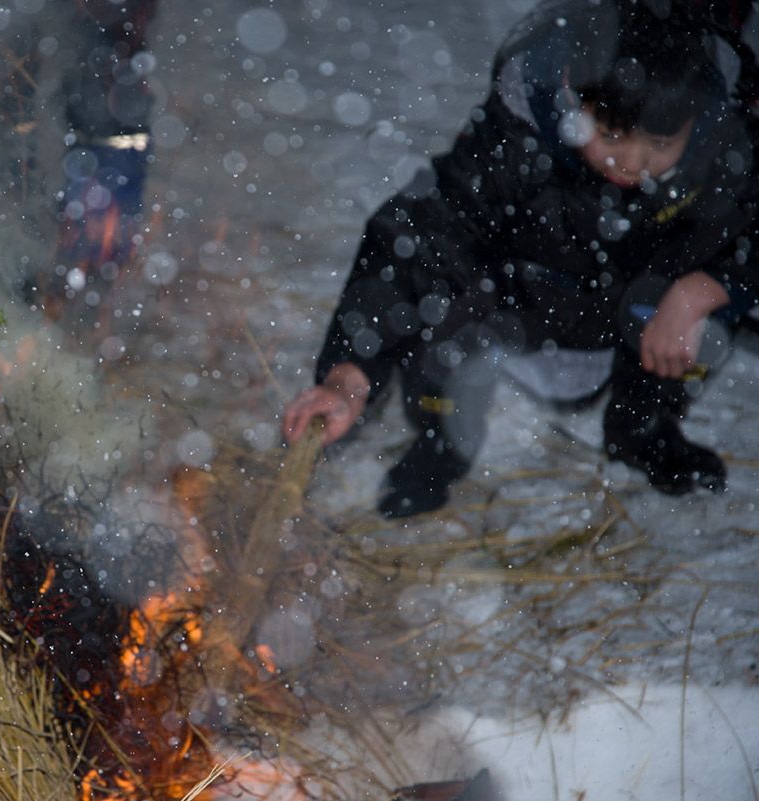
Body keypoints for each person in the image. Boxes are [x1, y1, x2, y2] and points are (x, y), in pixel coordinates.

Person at [283, 0, 759, 518]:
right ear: (572, 88)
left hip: (638, 309)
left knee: (709, 313)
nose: (632, 161)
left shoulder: (724, 149)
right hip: (526, 294)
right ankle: (444, 439)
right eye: (611, 133)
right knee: (440, 302)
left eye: (660, 142)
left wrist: (702, 289)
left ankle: (643, 423)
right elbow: (416, 235)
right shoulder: (517, 138)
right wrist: (348, 379)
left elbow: (749, 232)